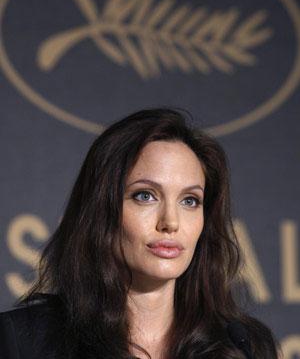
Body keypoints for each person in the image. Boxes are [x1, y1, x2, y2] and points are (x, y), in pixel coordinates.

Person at [0, 107, 281, 359]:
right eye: (145, 196)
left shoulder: (246, 346)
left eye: (190, 201)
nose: (171, 222)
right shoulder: (23, 341)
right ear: (101, 209)